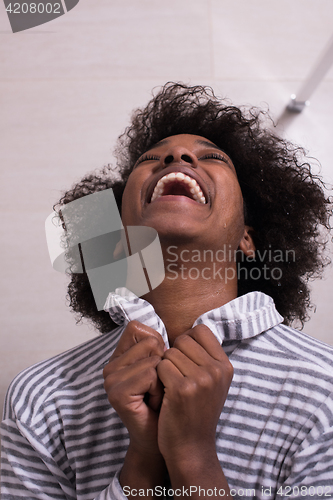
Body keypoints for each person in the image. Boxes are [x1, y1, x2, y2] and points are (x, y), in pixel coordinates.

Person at [1, 83, 333, 500]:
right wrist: (141, 461)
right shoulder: (40, 396)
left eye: (212, 157)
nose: (177, 158)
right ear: (118, 232)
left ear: (248, 238)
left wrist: (193, 455)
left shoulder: (326, 389)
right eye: (151, 159)